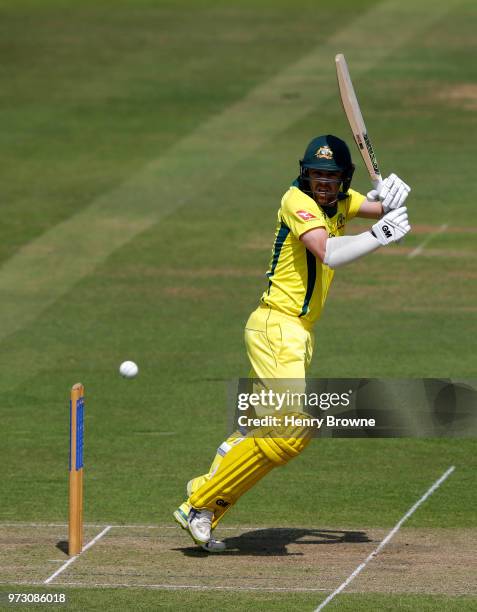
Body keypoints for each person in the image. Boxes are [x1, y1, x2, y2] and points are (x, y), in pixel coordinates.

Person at [173, 134, 411, 551]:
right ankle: (199, 501)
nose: (323, 182)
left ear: (342, 179)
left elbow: (383, 207)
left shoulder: (341, 200)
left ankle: (205, 505)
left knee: (262, 432)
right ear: (305, 174)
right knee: (289, 433)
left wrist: (392, 191)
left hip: (297, 334)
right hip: (275, 326)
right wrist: (378, 234)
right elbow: (328, 252)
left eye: (331, 176)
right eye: (316, 174)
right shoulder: (295, 201)